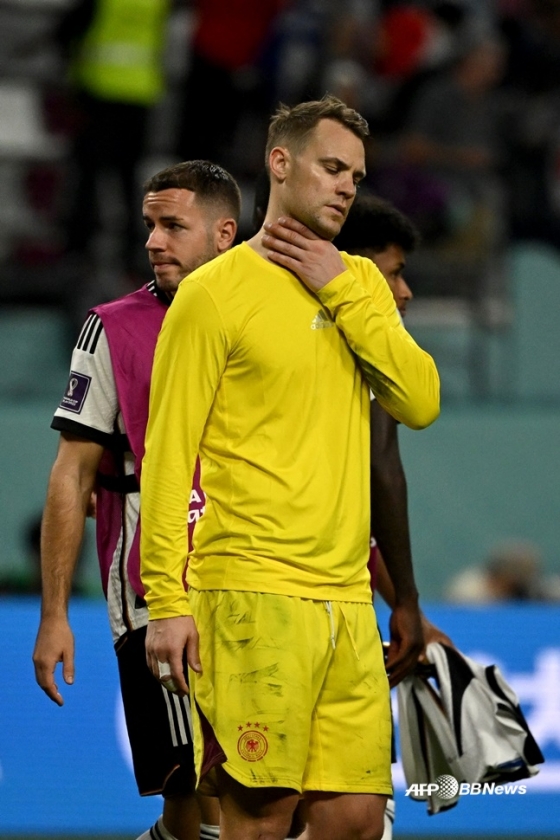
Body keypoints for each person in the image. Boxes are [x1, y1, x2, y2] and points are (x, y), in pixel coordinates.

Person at [140, 95, 440, 840]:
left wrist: (339, 286)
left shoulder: (359, 285)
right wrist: (167, 601)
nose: (345, 187)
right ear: (280, 163)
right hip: (249, 594)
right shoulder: (213, 294)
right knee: (260, 819)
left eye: (355, 176)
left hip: (346, 603)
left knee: (356, 820)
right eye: (331, 167)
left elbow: (421, 401)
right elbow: (168, 458)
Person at [32, 160, 241, 840]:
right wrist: (55, 614)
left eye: (173, 226)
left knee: (241, 792)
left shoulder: (270, 315)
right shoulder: (113, 328)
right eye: (150, 225)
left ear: (224, 234)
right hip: (153, 589)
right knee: (202, 791)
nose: (153, 241)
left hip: (258, 580)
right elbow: (71, 474)